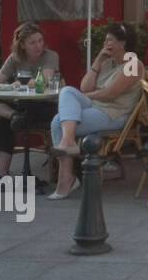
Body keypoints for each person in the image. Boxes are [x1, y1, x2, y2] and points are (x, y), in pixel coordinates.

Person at [48, 22, 143, 199]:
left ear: (122, 44)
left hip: (114, 114)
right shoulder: (108, 63)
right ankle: (68, 144)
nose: (105, 44)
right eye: (105, 41)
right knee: (67, 90)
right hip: (97, 107)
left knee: (57, 122)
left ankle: (66, 177)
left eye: (109, 40)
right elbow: (84, 87)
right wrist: (98, 60)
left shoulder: (133, 65)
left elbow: (110, 94)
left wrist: (89, 95)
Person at [0, 22, 59, 178]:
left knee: (4, 121)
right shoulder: (15, 58)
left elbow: (43, 80)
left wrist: (18, 84)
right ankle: (1, 173)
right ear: (23, 45)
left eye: (40, 41)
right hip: (20, 106)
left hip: (44, 105)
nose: (38, 45)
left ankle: (0, 173)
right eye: (32, 42)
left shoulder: (50, 56)